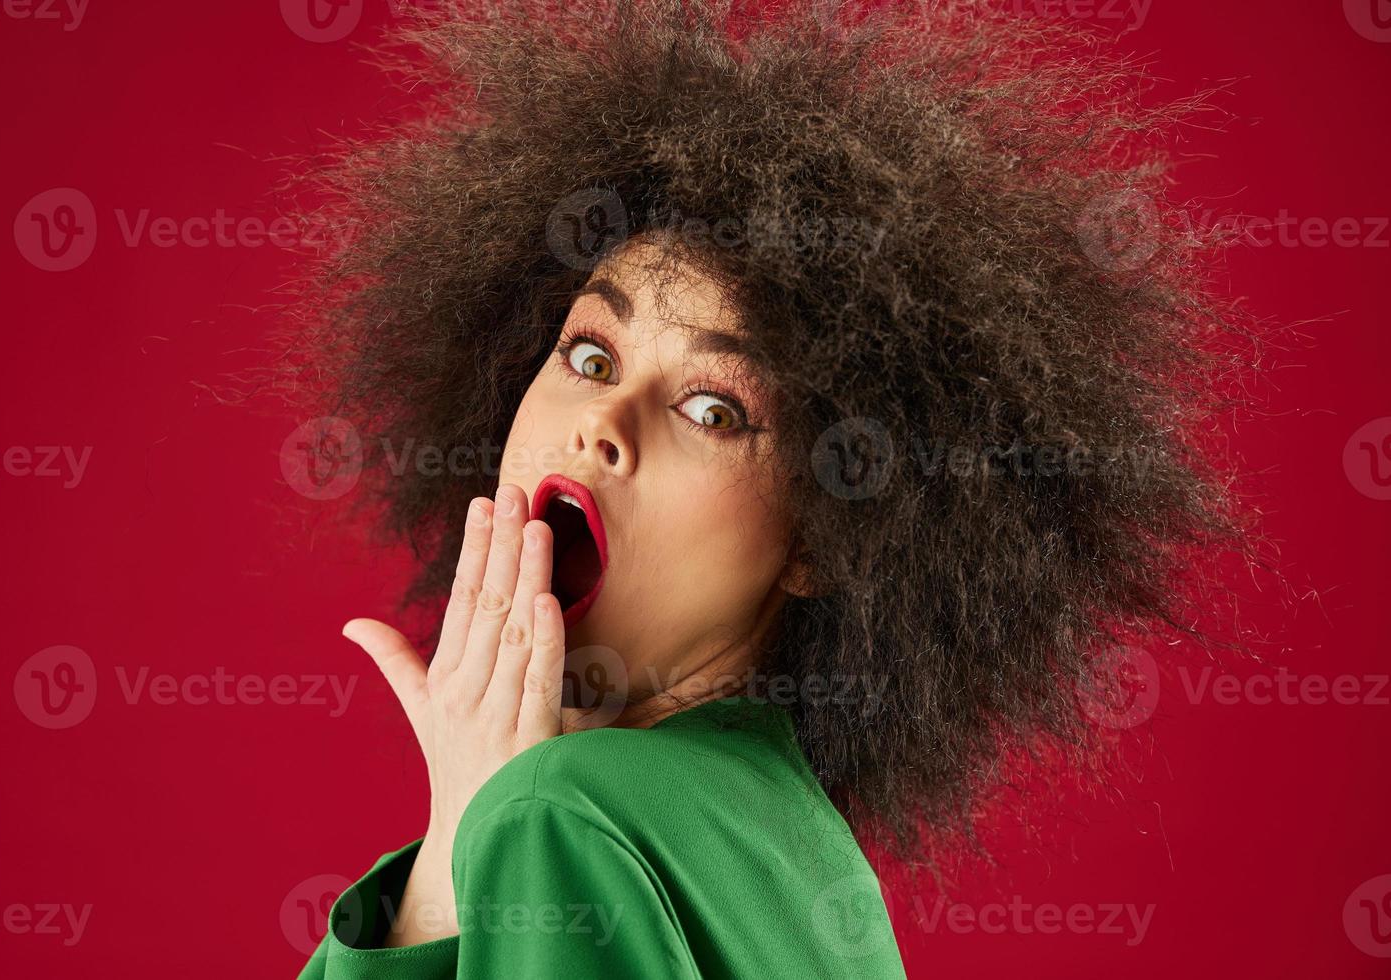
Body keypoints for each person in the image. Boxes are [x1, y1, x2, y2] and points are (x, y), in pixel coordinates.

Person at [288, 0, 1249, 975]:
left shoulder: (559, 809)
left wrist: (484, 814)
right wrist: (452, 857)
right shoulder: (800, 843)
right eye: (589, 352)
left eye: (712, 410)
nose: (602, 425)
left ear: (821, 537)